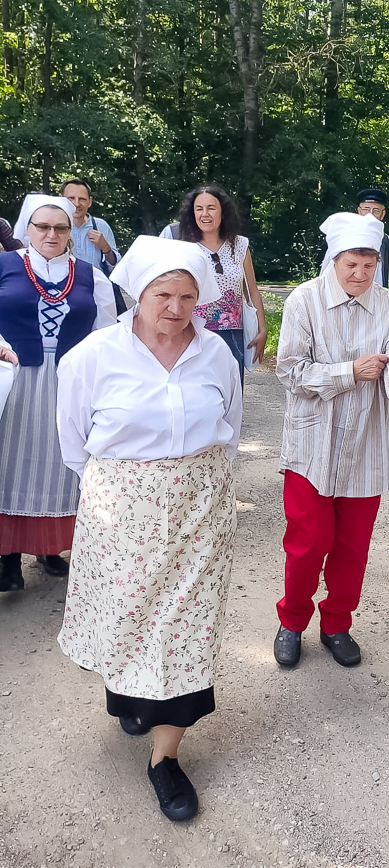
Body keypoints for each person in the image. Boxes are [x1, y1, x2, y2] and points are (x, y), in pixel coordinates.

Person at [56, 235, 242, 823]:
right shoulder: (91, 357)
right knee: (129, 613)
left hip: (201, 505)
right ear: (139, 293)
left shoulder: (216, 354)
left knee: (185, 624)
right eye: (163, 294)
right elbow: (73, 441)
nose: (175, 307)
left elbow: (229, 427)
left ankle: (165, 759)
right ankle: (131, 696)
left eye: (188, 296)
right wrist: (124, 491)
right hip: (122, 507)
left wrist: (195, 483)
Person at [273, 211, 389, 671]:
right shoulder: (305, 301)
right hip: (311, 447)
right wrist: (348, 372)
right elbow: (290, 371)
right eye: (350, 265)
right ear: (333, 260)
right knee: (307, 542)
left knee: (353, 546)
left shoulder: (388, 304)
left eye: (369, 264)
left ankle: (337, 623)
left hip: (365, 444)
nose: (360, 274)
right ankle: (292, 621)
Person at [0, 195, 116, 591]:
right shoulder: (4, 266)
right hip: (14, 380)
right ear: (26, 230)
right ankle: (7, 556)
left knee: (61, 463)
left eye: (61, 228)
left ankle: (51, 547)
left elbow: (105, 334)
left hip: (70, 384)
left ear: (71, 232)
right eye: (43, 227)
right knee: (10, 461)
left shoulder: (89, 275)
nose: (51, 234)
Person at [172, 185, 267, 378]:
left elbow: (252, 291)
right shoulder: (184, 248)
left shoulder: (240, 245)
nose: (205, 214)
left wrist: (262, 329)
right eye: (199, 209)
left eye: (211, 208)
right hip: (193, 333)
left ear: (223, 211)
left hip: (232, 334)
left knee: (231, 392)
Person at [320, 188, 389, 287]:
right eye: (366, 209)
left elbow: (387, 270)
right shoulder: (345, 235)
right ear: (359, 211)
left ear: (383, 214)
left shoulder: (386, 241)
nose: (370, 215)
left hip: (375, 296)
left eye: (376, 211)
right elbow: (328, 265)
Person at [60, 179, 121, 270]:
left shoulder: (100, 226)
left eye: (82, 199)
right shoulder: (54, 228)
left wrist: (106, 249)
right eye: (71, 198)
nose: (76, 204)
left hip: (95, 283)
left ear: (90, 202)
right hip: (64, 283)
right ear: (61, 199)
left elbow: (116, 268)